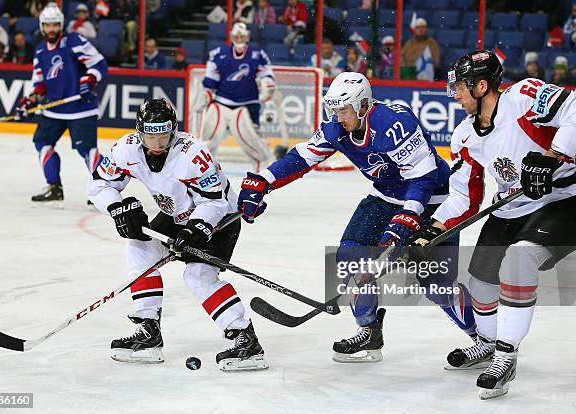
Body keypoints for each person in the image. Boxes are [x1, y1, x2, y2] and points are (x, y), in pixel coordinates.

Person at [237, 71, 477, 363]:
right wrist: (263, 181)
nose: (338, 117)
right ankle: (369, 331)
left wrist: (408, 217)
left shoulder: (393, 124)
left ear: (363, 106)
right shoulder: (336, 128)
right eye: (334, 110)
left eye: (344, 110)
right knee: (350, 256)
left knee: (436, 285)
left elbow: (423, 179)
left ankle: (483, 337)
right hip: (386, 197)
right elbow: (302, 157)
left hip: (432, 200)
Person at [412, 50, 575, 400]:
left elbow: (574, 106)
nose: (454, 95)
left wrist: (552, 157)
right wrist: (434, 227)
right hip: (511, 206)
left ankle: (506, 355)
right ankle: (486, 343)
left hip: (562, 199)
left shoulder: (525, 96)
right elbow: (464, 196)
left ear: (482, 85)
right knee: (481, 283)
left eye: (460, 87)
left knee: (519, 260)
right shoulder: (464, 136)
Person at [87, 98, 269, 371]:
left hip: (219, 219)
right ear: (139, 131)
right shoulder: (125, 150)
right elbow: (99, 186)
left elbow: (215, 202)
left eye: (163, 135)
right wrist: (117, 208)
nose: (157, 144)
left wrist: (197, 227)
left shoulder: (192, 154)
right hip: (176, 215)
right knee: (139, 247)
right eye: (150, 135)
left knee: (197, 276)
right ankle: (148, 331)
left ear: (173, 131)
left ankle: (244, 337)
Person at [12, 2, 108, 204]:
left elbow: (99, 63)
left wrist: (90, 78)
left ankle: (103, 189)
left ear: (61, 24)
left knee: (88, 150)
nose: (52, 29)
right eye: (48, 25)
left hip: (81, 108)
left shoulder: (73, 41)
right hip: (54, 108)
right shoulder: (40, 51)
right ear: (42, 26)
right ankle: (55, 187)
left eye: (55, 24)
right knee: (42, 143)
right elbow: (39, 84)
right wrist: (29, 101)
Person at [195, 22, 276, 172]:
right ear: (232, 36)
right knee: (208, 138)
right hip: (222, 103)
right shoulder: (218, 54)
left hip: (248, 104)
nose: (239, 38)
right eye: (236, 35)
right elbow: (210, 81)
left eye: (242, 35)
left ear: (248, 36)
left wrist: (267, 83)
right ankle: (203, 171)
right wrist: (205, 93)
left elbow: (267, 75)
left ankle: (265, 173)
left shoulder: (258, 54)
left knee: (255, 142)